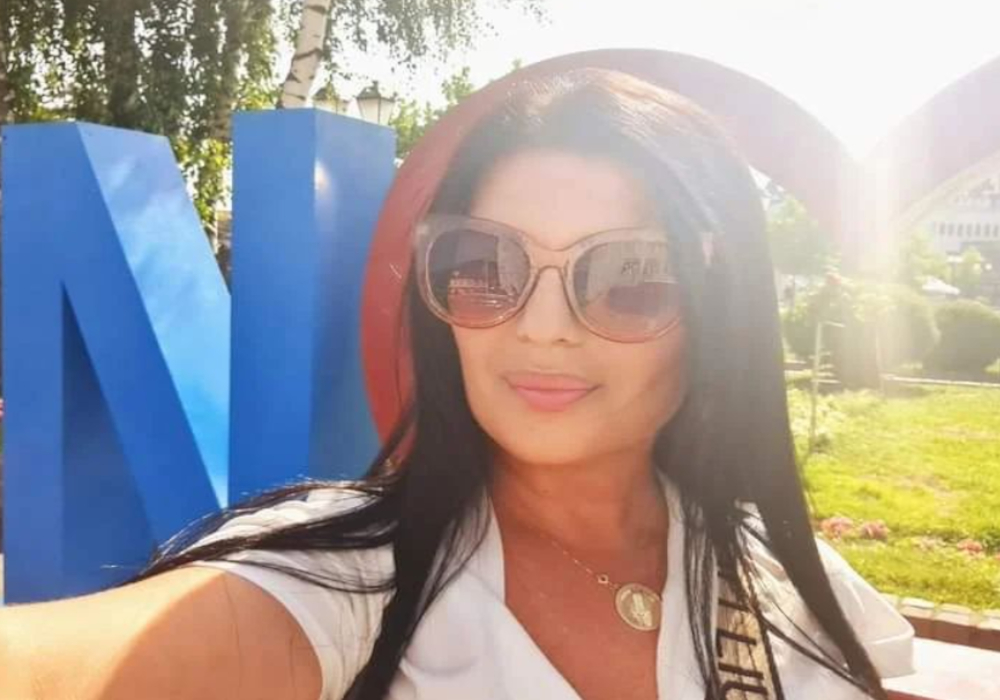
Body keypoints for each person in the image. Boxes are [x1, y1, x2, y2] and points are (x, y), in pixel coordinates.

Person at [0, 67, 913, 700]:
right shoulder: (346, 579)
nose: (542, 325)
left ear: (723, 309)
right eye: (485, 264)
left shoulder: (779, 572)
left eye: (630, 275)